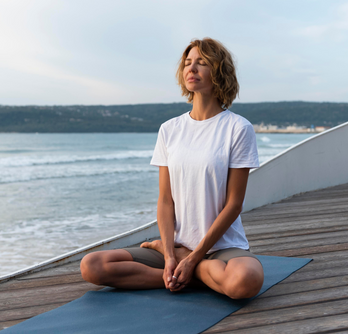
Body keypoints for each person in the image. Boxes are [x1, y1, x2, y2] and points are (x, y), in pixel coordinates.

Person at [80, 38, 264, 299]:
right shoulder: (170, 129)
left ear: (219, 71)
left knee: (246, 282)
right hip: (175, 246)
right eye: (188, 63)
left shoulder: (237, 128)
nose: (192, 68)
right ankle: (191, 274)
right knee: (92, 266)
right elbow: (165, 200)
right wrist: (169, 255)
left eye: (202, 63)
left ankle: (190, 269)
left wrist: (192, 258)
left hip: (221, 247)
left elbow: (234, 204)